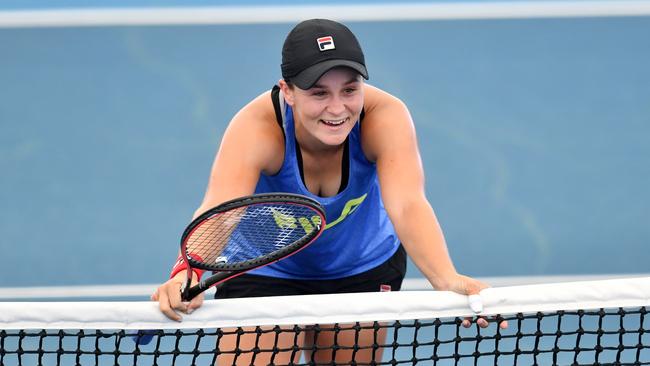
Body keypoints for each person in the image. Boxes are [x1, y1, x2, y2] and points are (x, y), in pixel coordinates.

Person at [152, 18, 506, 365]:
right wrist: (187, 270)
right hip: (266, 269)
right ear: (288, 91)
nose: (337, 108)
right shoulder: (257, 128)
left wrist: (445, 278)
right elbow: (223, 211)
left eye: (349, 90)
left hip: (359, 263)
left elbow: (408, 204)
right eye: (319, 93)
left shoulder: (386, 117)